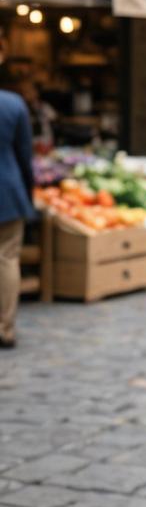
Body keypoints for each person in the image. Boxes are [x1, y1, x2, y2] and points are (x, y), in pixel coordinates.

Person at [0, 89, 35, 349]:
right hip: (7, 191)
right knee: (6, 257)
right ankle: (4, 328)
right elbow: (25, 154)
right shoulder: (12, 103)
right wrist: (28, 194)